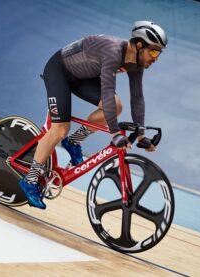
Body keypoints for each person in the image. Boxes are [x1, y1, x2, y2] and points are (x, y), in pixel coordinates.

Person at [19, 21, 167, 209]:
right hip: (60, 71)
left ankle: (74, 141)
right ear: (139, 45)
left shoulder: (136, 64)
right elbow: (106, 91)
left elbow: (137, 97)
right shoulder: (113, 52)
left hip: (82, 77)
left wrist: (141, 135)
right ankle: (30, 180)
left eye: (159, 53)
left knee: (115, 106)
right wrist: (114, 134)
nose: (156, 58)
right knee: (60, 129)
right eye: (154, 51)